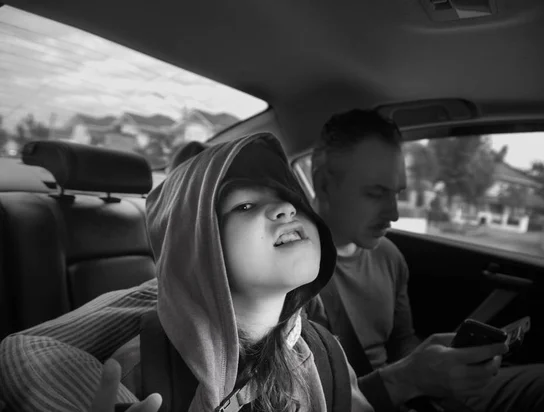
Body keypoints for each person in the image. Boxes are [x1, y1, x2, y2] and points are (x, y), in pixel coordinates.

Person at [0, 133, 373, 412]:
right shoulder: (143, 377)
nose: (285, 210)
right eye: (244, 205)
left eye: (289, 199)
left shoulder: (327, 357)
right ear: (199, 249)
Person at [306, 109, 544, 412]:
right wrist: (407, 379)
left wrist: (444, 367)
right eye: (376, 193)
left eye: (396, 193)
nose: (394, 213)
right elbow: (314, 400)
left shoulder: (389, 256)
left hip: (412, 395)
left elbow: (402, 342)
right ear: (324, 184)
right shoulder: (293, 279)